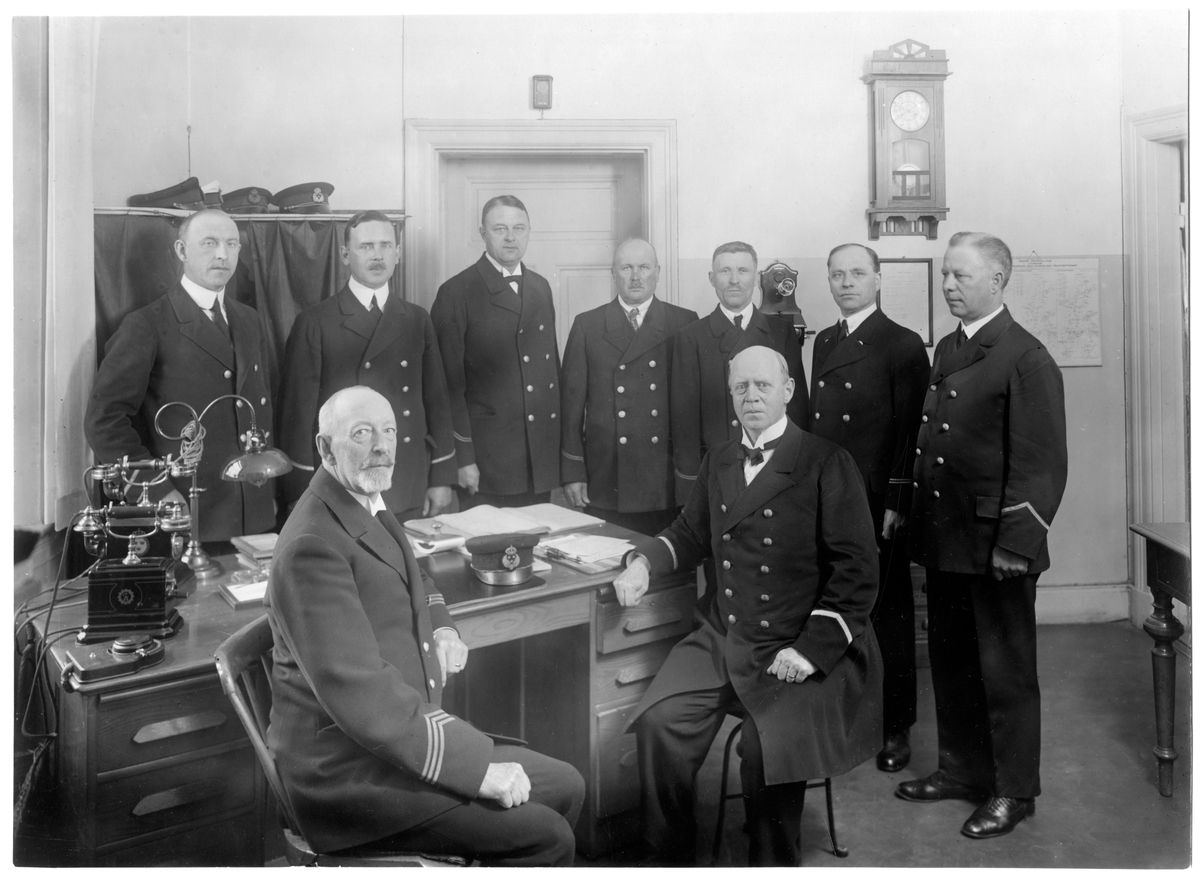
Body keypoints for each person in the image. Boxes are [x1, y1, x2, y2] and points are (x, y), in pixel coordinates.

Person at [265, 386, 584, 864]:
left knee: (567, 785)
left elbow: (418, 578)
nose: (381, 446)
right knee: (546, 836)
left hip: (393, 743)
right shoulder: (311, 544)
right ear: (325, 449)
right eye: (362, 433)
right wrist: (475, 771)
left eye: (389, 431)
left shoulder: (362, 501)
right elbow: (361, 695)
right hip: (346, 775)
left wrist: (443, 629)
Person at [613, 345, 882, 865]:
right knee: (660, 723)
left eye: (763, 385)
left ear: (788, 391)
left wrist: (809, 651)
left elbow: (857, 572)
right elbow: (689, 533)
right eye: (741, 387)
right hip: (725, 635)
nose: (751, 396)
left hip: (800, 642)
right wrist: (643, 562)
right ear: (730, 394)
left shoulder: (827, 461)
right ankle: (669, 859)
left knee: (765, 748)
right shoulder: (719, 458)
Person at [900, 232, 1067, 840]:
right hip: (947, 539)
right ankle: (961, 770)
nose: (947, 285)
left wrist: (1015, 545)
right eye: (946, 274)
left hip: (996, 548)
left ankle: (1013, 791)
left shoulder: (1025, 356)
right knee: (953, 664)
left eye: (960, 276)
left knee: (1005, 673)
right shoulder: (952, 345)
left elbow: (1042, 465)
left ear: (996, 280)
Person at [809, 243, 931, 773]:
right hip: (830, 495)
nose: (846, 283)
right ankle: (847, 714)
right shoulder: (825, 341)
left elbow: (911, 432)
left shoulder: (902, 343)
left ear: (878, 280)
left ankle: (895, 723)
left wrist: (897, 500)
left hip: (877, 499)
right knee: (835, 604)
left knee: (888, 611)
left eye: (857, 273)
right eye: (837, 274)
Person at [85, 209, 275, 540]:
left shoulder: (249, 319)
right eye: (209, 243)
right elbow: (104, 420)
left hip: (254, 509)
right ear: (182, 251)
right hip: (188, 510)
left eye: (231, 244)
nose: (222, 254)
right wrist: (156, 491)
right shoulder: (146, 324)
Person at [276, 210, 455, 522]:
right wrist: (300, 490)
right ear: (345, 255)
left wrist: (441, 477)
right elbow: (298, 417)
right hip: (342, 482)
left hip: (406, 478)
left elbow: (437, 403)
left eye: (385, 246)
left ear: (398, 253)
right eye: (366, 246)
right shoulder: (315, 322)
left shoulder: (417, 319)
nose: (377, 256)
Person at [559, 239, 698, 535]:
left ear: (657, 272)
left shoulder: (684, 322)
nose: (636, 276)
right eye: (626, 268)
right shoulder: (587, 325)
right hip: (607, 477)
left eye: (644, 267)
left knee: (664, 559)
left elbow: (691, 410)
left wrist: (689, 478)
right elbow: (570, 410)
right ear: (613, 273)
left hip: (664, 479)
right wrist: (573, 472)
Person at [430, 195, 561, 509]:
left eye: (519, 228)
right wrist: (462, 459)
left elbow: (551, 374)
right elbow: (446, 389)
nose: (511, 237)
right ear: (483, 233)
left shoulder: (541, 287)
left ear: (529, 232)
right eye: (500, 229)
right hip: (486, 463)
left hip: (538, 458)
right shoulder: (456, 292)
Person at [670, 241, 808, 506]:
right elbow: (684, 421)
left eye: (743, 271)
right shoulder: (691, 337)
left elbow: (797, 408)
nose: (734, 280)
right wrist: (690, 486)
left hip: (773, 469)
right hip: (716, 474)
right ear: (712, 278)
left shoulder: (781, 332)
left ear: (756, 279)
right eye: (725, 271)